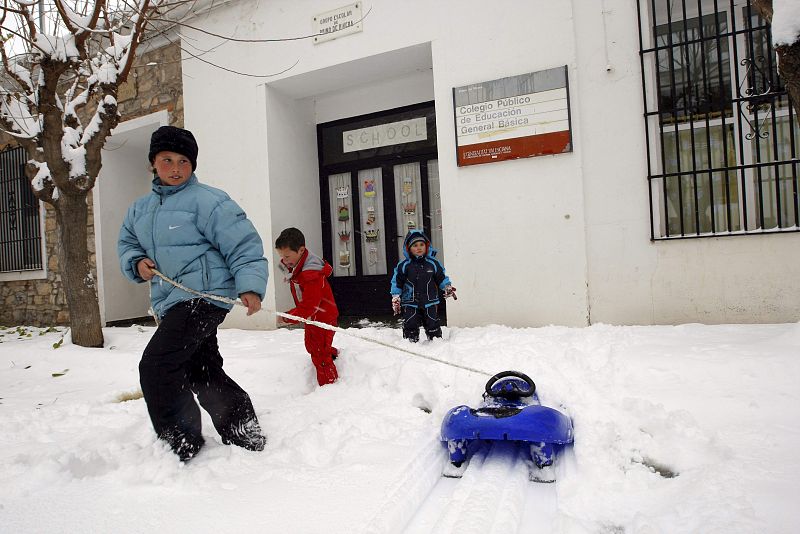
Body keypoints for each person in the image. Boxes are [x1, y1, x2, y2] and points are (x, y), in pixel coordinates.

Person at [118, 125, 268, 461]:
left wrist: (250, 285)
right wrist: (137, 261)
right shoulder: (139, 211)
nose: (175, 168)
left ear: (193, 166)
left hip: (205, 298)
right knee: (201, 368)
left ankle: (182, 440)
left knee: (157, 365)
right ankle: (242, 427)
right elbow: (127, 243)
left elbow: (243, 244)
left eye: (183, 161)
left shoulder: (209, 201)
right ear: (152, 164)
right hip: (172, 301)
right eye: (167, 160)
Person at [274, 227, 340, 386]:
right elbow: (288, 269)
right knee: (312, 344)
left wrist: (286, 317)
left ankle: (329, 385)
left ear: (301, 250)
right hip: (315, 317)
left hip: (321, 317)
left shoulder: (311, 275)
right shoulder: (297, 261)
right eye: (281, 256)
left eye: (287, 256)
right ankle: (330, 352)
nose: (284, 260)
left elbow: (309, 306)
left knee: (318, 351)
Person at [390, 230, 456, 342]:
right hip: (410, 301)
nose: (419, 247)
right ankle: (411, 340)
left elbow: (441, 277)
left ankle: (435, 340)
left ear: (427, 246)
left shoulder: (433, 263)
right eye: (415, 245)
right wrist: (396, 296)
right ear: (408, 248)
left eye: (422, 244)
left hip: (430, 300)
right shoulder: (404, 265)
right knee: (410, 321)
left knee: (432, 320)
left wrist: (447, 287)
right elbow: (397, 281)